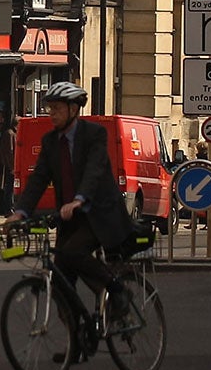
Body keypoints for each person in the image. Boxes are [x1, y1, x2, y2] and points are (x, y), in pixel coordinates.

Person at [7, 84, 130, 350]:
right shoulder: (51, 142)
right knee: (61, 279)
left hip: (98, 213)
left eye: (57, 108)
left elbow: (95, 170)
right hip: (70, 218)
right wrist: (20, 211)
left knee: (73, 253)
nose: (52, 114)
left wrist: (79, 199)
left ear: (74, 110)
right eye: (50, 108)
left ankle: (116, 288)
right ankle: (76, 342)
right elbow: (39, 179)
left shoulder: (94, 134)